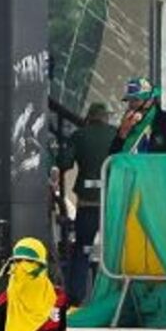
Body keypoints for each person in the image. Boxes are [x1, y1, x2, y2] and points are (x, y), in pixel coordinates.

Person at [55, 102, 113, 306]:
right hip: (112, 203)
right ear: (106, 117)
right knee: (111, 249)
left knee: (83, 249)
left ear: (89, 117)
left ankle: (75, 297)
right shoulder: (116, 135)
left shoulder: (80, 136)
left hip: (87, 203)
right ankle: (108, 296)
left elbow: (64, 162)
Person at [109, 77, 166, 157]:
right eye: (130, 100)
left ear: (150, 100)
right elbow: (113, 158)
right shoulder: (127, 124)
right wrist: (121, 135)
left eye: (136, 100)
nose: (132, 105)